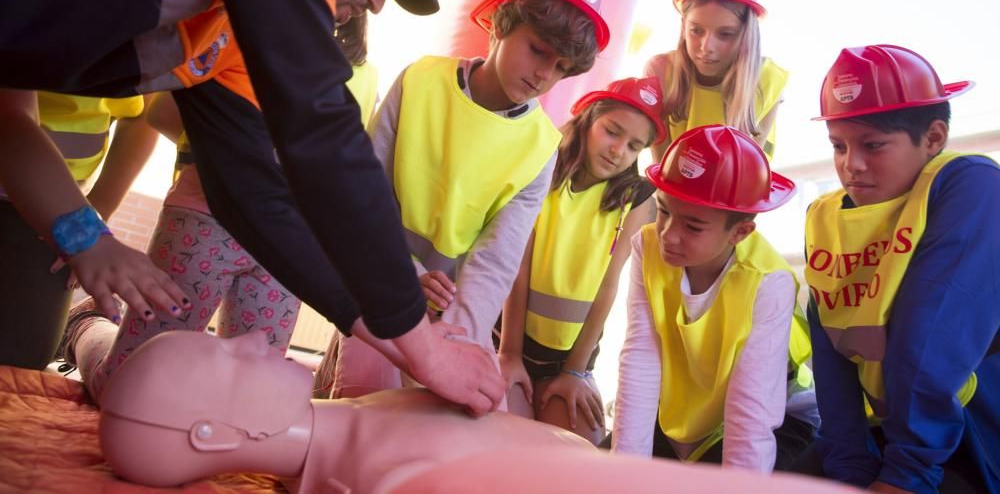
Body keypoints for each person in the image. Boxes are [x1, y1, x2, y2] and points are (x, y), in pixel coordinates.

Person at [0, 0, 503, 413]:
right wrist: (425, 348)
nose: (377, 2)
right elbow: (317, 122)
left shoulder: (224, 33)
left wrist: (88, 236)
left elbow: (253, 199)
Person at [98, 330, 850, 494]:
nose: (256, 335)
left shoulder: (365, 421)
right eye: (225, 354)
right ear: (215, 433)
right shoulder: (400, 476)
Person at [60, 16, 379, 404]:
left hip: (287, 244)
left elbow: (338, 170)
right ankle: (86, 325)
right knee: (127, 384)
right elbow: (160, 114)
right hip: (205, 220)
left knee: (249, 392)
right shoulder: (238, 32)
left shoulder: (361, 74)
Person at [327, 0, 607, 398]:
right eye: (537, 50)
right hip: (376, 274)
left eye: (561, 68)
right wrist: (406, 275)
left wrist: (454, 346)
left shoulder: (541, 146)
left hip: (454, 307)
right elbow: (366, 193)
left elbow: (496, 261)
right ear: (500, 26)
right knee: (362, 393)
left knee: (441, 411)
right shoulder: (420, 79)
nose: (543, 75)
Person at [798, 44, 1000, 493]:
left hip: (967, 431)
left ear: (933, 138)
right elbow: (830, 353)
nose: (851, 165)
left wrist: (906, 476)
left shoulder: (971, 185)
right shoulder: (824, 216)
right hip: (887, 432)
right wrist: (847, 467)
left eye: (873, 145)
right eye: (838, 146)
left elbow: (932, 336)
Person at [611, 125, 817, 472]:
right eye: (663, 211)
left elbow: (752, 413)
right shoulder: (647, 247)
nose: (668, 235)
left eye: (692, 226)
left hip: (778, 419)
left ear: (740, 232)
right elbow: (640, 359)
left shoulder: (769, 282)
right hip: (688, 416)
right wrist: (624, 471)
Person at [495, 76, 663, 443]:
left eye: (634, 146)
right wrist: (509, 354)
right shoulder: (544, 167)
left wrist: (574, 372)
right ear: (589, 119)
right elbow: (517, 266)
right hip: (509, 342)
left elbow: (608, 286)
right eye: (612, 132)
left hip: (569, 361)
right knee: (504, 436)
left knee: (577, 446)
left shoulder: (636, 199)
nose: (619, 150)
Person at [0, 93, 160, 369]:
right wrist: (84, 235)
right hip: (43, 197)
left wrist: (95, 213)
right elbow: (12, 117)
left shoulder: (158, 57)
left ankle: (82, 325)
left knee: (25, 360)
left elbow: (143, 118)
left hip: (53, 210)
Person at [644, 0, 786, 161]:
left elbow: (745, 169)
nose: (706, 47)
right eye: (696, 31)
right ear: (684, 26)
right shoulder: (660, 70)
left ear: (748, 36)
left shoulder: (768, 80)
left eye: (725, 34)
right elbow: (661, 166)